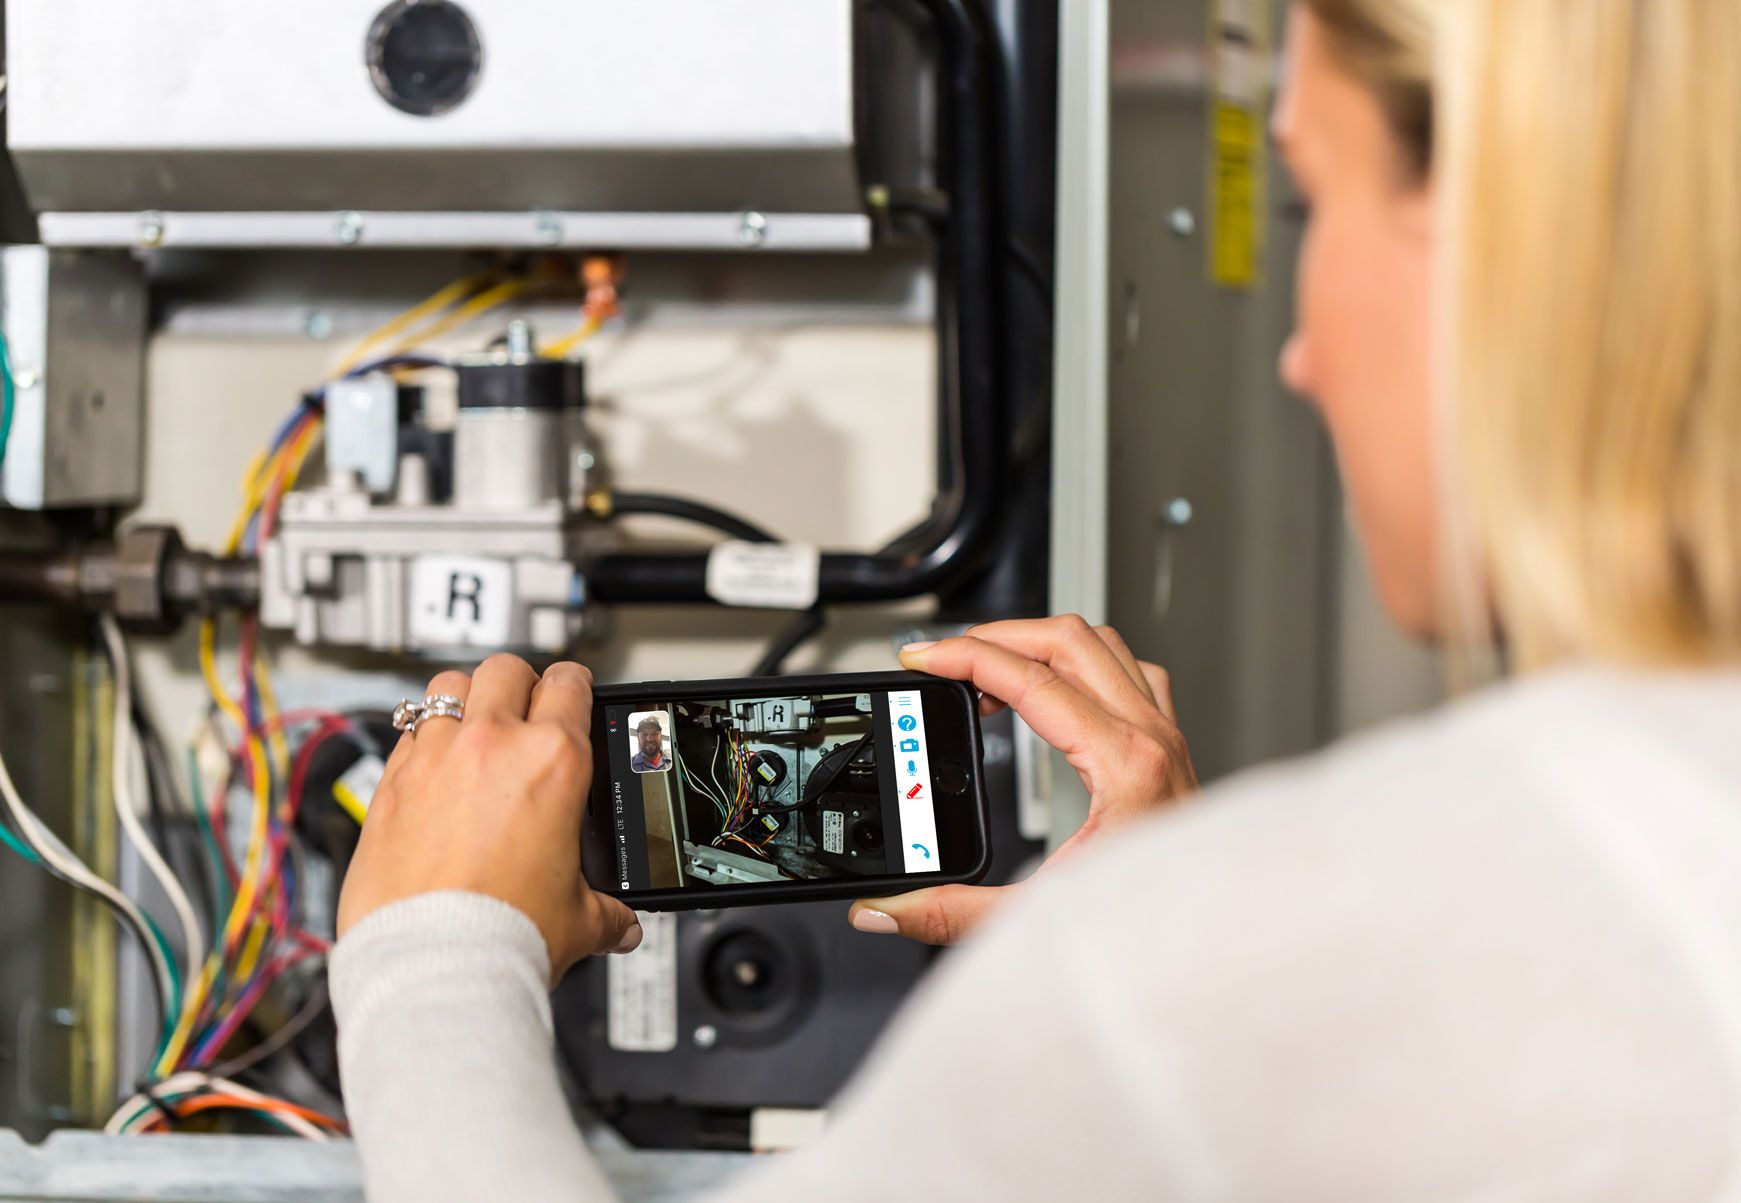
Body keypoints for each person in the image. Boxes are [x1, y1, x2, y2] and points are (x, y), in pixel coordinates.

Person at [330, 1, 1741, 1198]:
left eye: (1311, 197)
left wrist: (435, 949)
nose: (1299, 356)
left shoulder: (1308, 931)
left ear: (1503, 227)